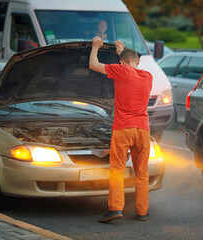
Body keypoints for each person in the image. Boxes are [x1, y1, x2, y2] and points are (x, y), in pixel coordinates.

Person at [89, 37, 153, 223]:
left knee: (117, 170)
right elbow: (130, 65)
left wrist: (96, 47)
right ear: (138, 62)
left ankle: (116, 209)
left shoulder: (120, 71)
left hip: (123, 128)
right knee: (142, 172)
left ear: (121, 63)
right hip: (143, 129)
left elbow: (93, 65)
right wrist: (121, 54)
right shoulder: (147, 76)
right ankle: (142, 212)